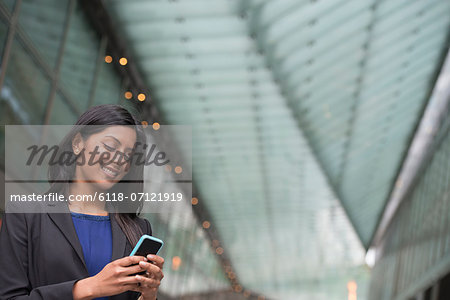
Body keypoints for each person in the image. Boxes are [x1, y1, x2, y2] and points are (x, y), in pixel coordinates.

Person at [0, 104, 164, 300]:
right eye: (110, 146)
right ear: (78, 143)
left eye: (128, 155)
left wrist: (149, 295)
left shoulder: (138, 229)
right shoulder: (26, 214)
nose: (119, 159)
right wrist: (89, 288)